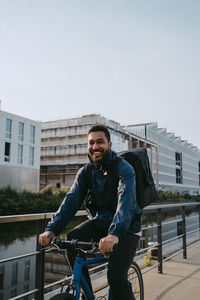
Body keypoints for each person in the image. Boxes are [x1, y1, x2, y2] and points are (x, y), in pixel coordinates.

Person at [39, 124, 142, 300]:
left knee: (116, 279)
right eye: (91, 142)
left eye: (100, 142)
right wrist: (52, 229)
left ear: (109, 144)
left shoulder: (124, 168)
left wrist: (114, 234)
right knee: (71, 240)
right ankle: (88, 294)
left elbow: (126, 204)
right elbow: (70, 201)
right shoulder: (85, 172)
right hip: (100, 222)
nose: (95, 147)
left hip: (126, 228)